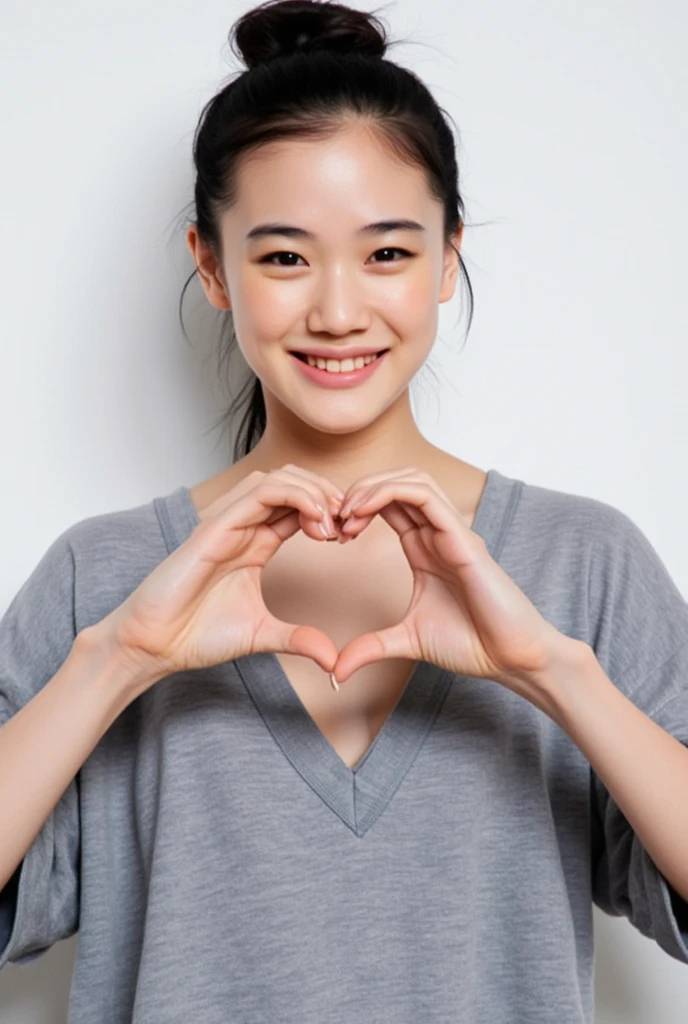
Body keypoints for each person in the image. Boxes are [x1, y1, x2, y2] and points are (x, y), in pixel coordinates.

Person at [1, 1, 687, 1021]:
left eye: (387, 253)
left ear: (449, 255)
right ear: (210, 263)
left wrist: (548, 669)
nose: (334, 309)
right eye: (282, 256)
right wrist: (121, 660)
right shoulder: (97, 576)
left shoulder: (583, 561)